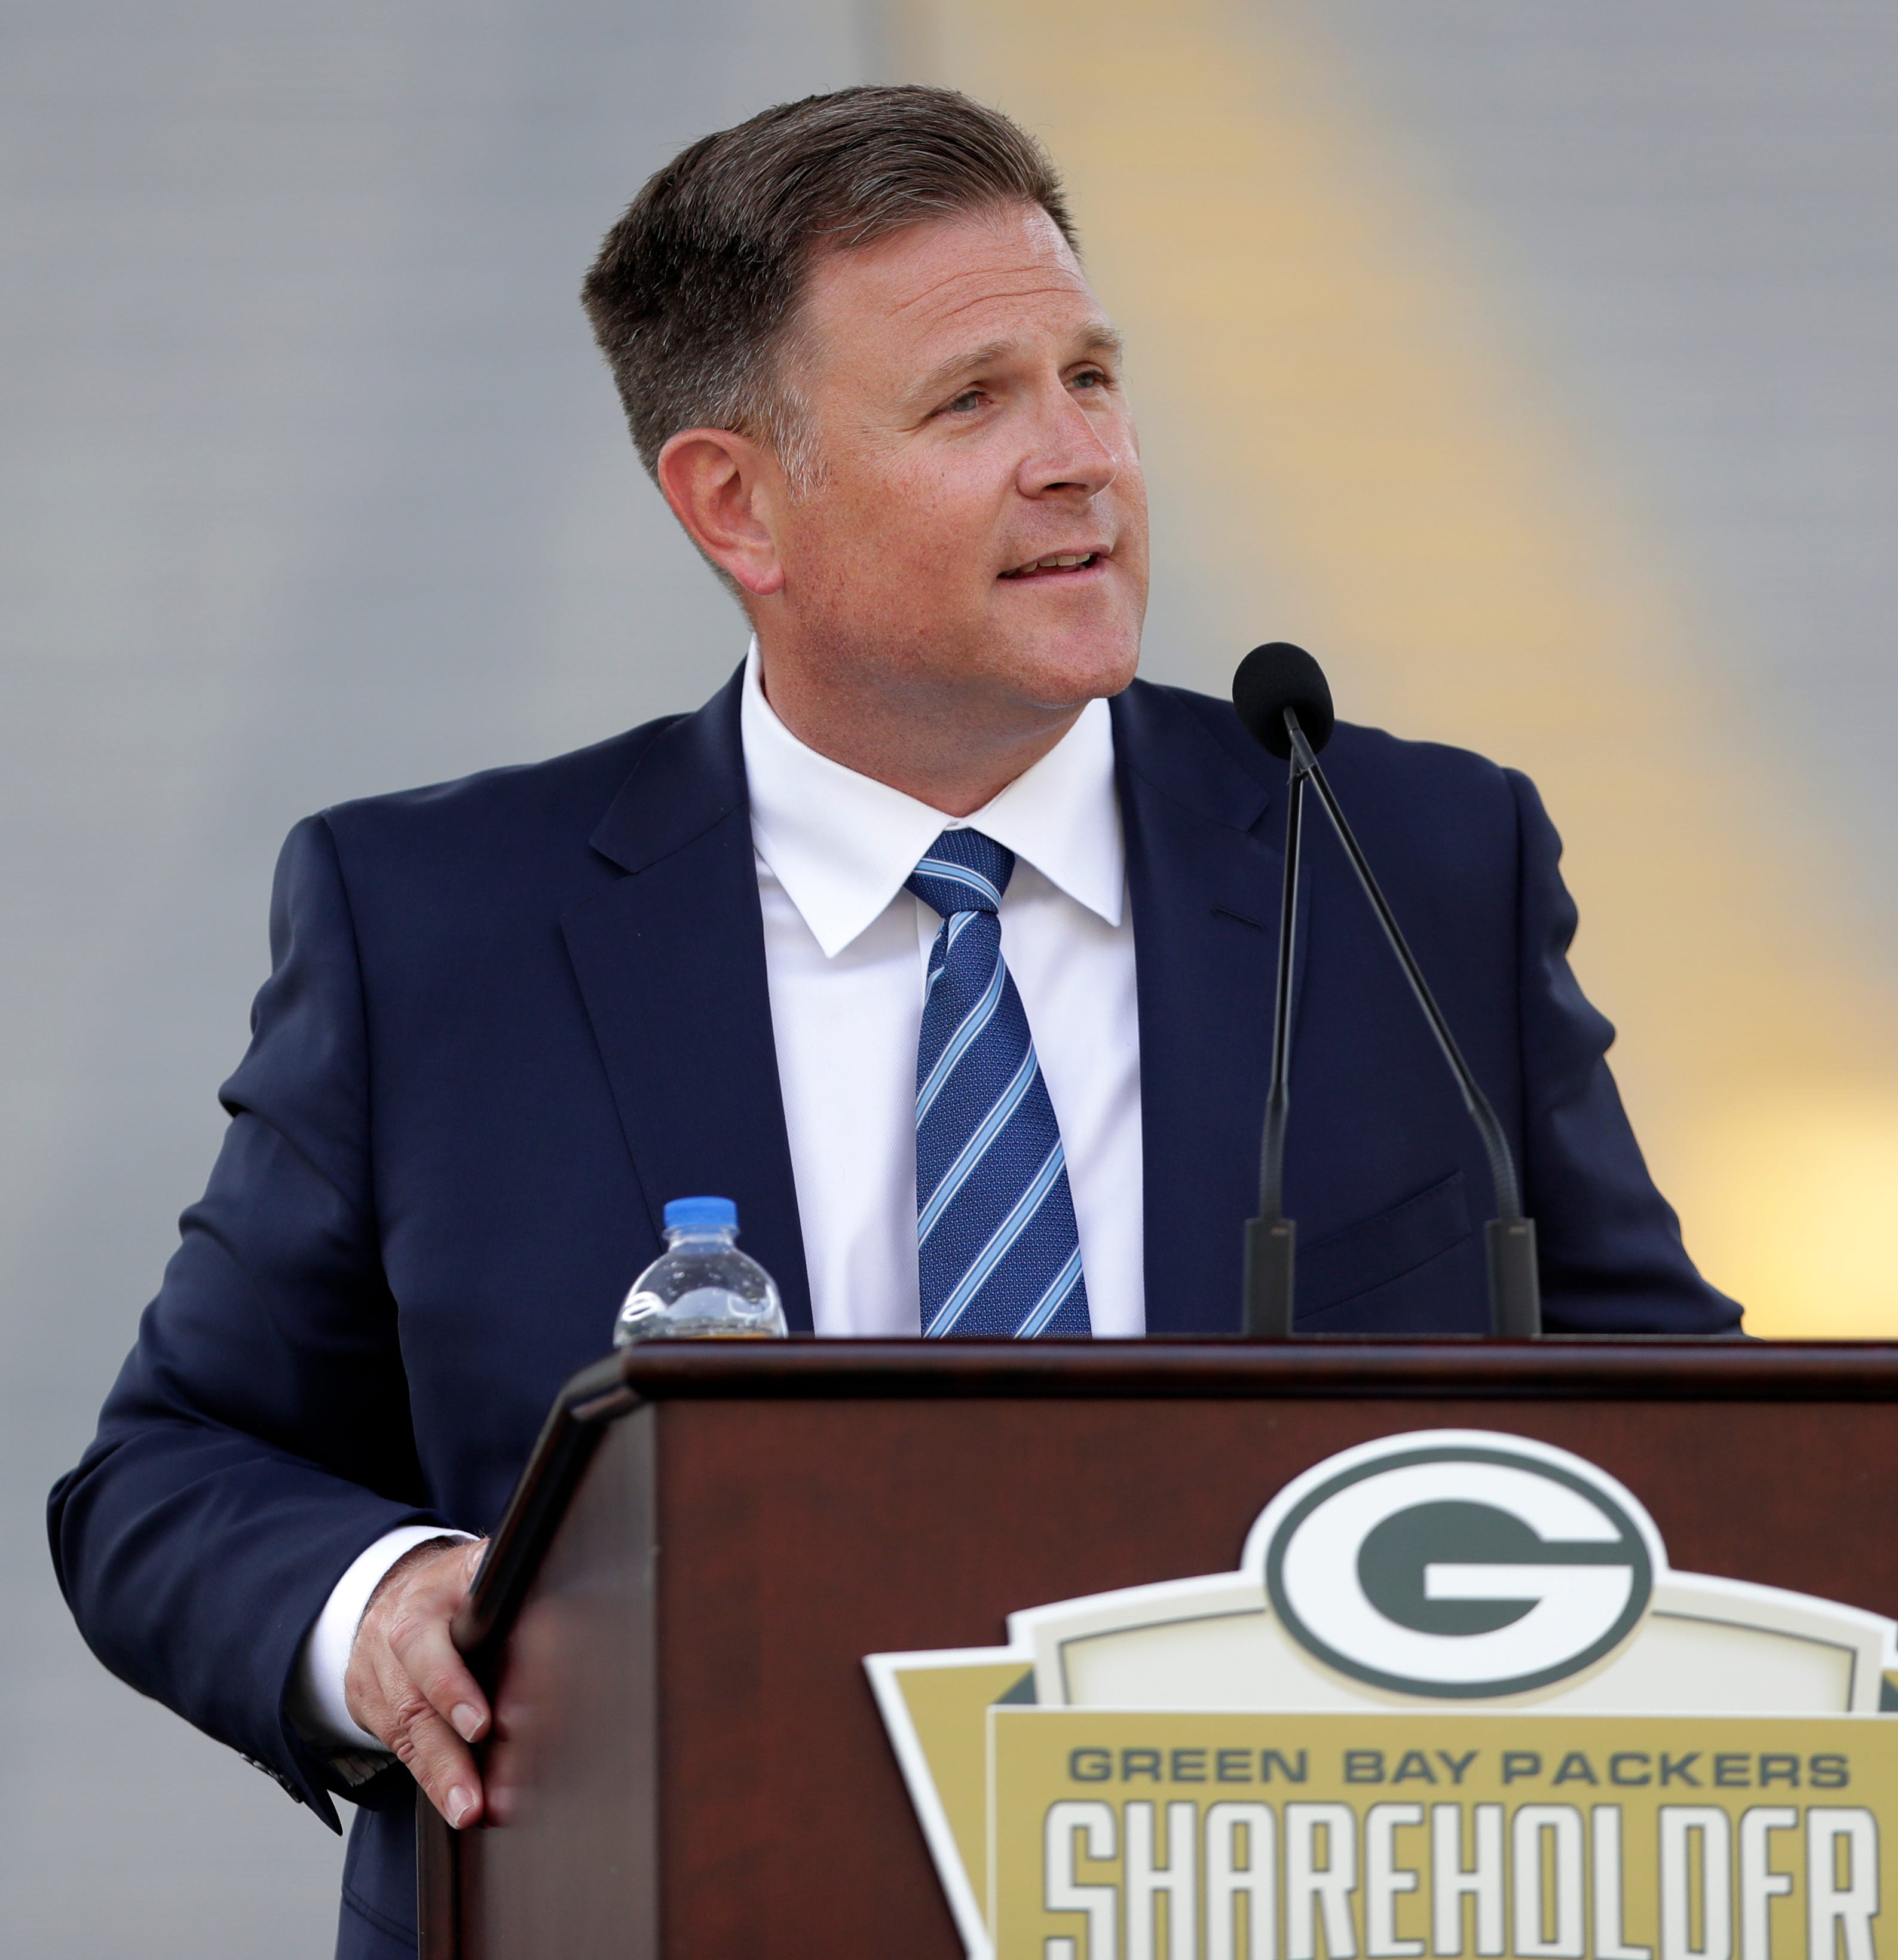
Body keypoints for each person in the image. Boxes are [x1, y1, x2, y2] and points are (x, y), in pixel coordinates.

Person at [48, 85, 1740, 1960]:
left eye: (1090, 377)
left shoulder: (1404, 863)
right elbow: (171, 1473)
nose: (1080, 457)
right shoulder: (439, 924)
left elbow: (1692, 1440)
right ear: (737, 502)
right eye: (973, 402)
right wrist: (375, 1605)